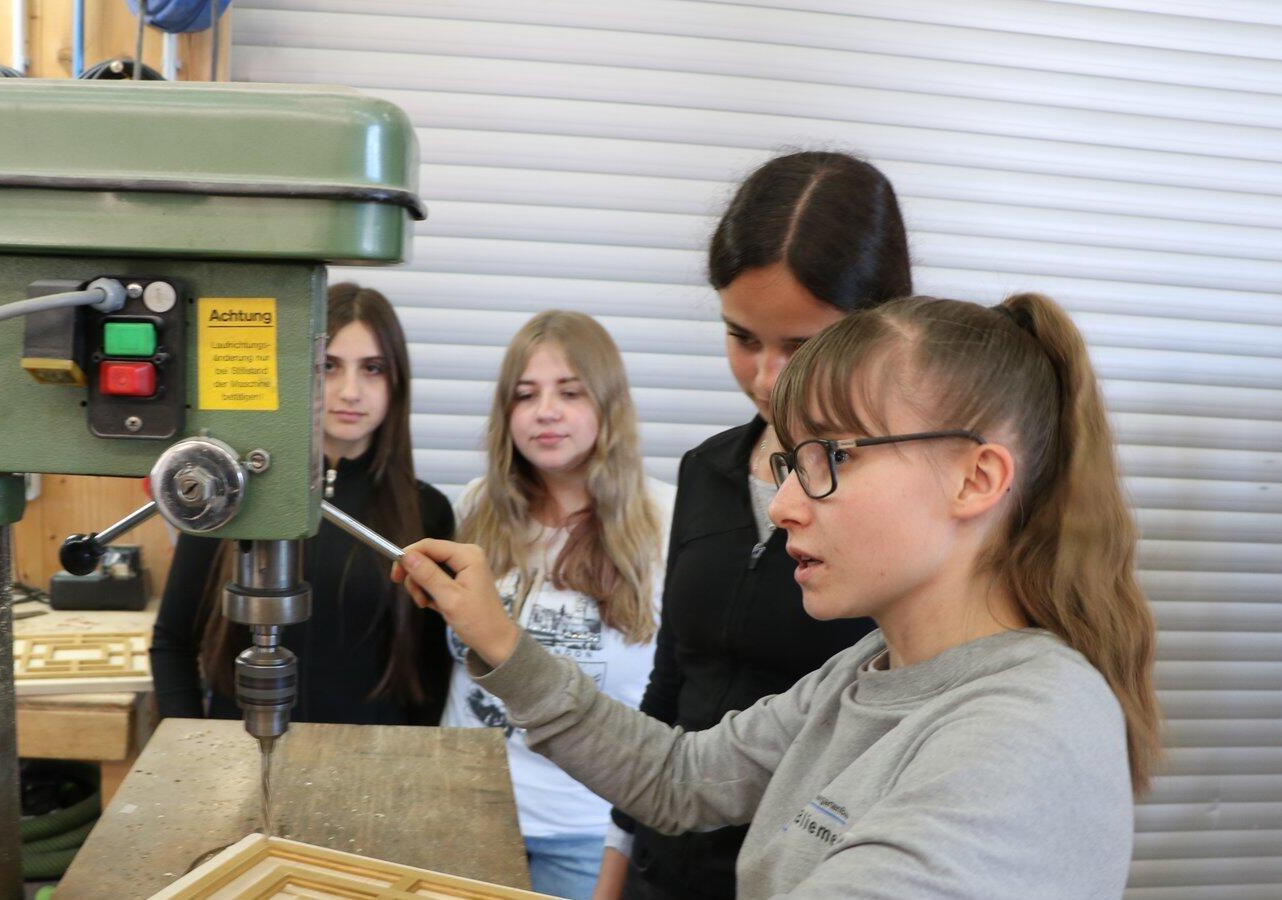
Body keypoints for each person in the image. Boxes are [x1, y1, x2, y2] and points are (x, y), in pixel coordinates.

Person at [395, 292, 1162, 899]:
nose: (786, 504)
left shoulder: (1025, 731)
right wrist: (501, 643)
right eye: (791, 462)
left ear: (976, 478)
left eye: (832, 457)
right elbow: (680, 778)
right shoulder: (868, 670)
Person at [601, 151, 913, 900]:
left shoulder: (911, 513)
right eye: (743, 338)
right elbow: (672, 684)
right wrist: (614, 867)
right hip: (661, 868)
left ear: (882, 328)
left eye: (802, 346)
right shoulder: (705, 471)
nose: (768, 379)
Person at [441, 310, 677, 900]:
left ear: (608, 404)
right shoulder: (475, 506)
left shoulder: (668, 522)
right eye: (526, 395)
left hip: (585, 828)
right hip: (462, 805)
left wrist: (619, 850)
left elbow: (671, 706)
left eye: (570, 392)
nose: (546, 411)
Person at [150, 282, 454, 726]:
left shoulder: (429, 511)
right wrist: (193, 749)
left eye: (372, 369)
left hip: (371, 756)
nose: (350, 391)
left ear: (397, 383)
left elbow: (430, 670)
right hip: (236, 754)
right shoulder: (227, 495)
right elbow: (172, 644)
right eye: (328, 366)